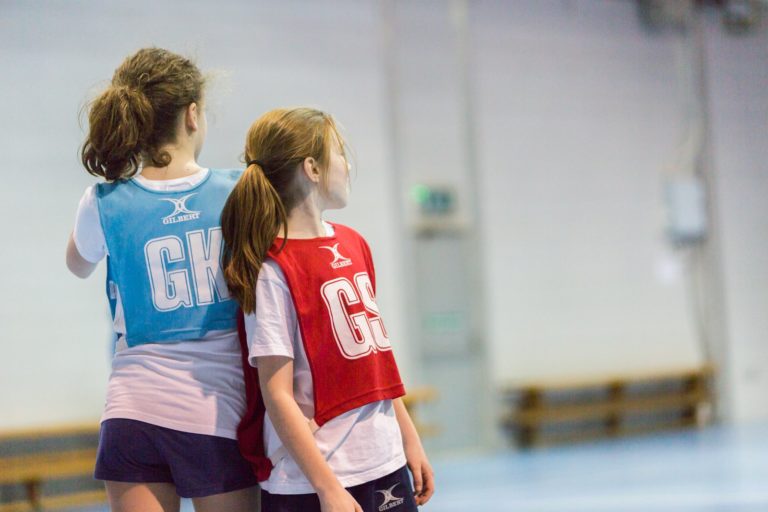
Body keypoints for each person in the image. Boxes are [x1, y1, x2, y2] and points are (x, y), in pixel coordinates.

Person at [65, 47, 259, 512]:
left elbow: (77, 263)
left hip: (131, 413)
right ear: (193, 115)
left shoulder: (103, 199)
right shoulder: (240, 189)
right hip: (214, 412)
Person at [220, 107, 435, 512]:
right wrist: (328, 487)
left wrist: (408, 436)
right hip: (314, 478)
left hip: (383, 460)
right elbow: (277, 393)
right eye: (340, 153)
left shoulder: (353, 243)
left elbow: (376, 363)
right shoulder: (273, 268)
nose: (349, 164)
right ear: (312, 169)